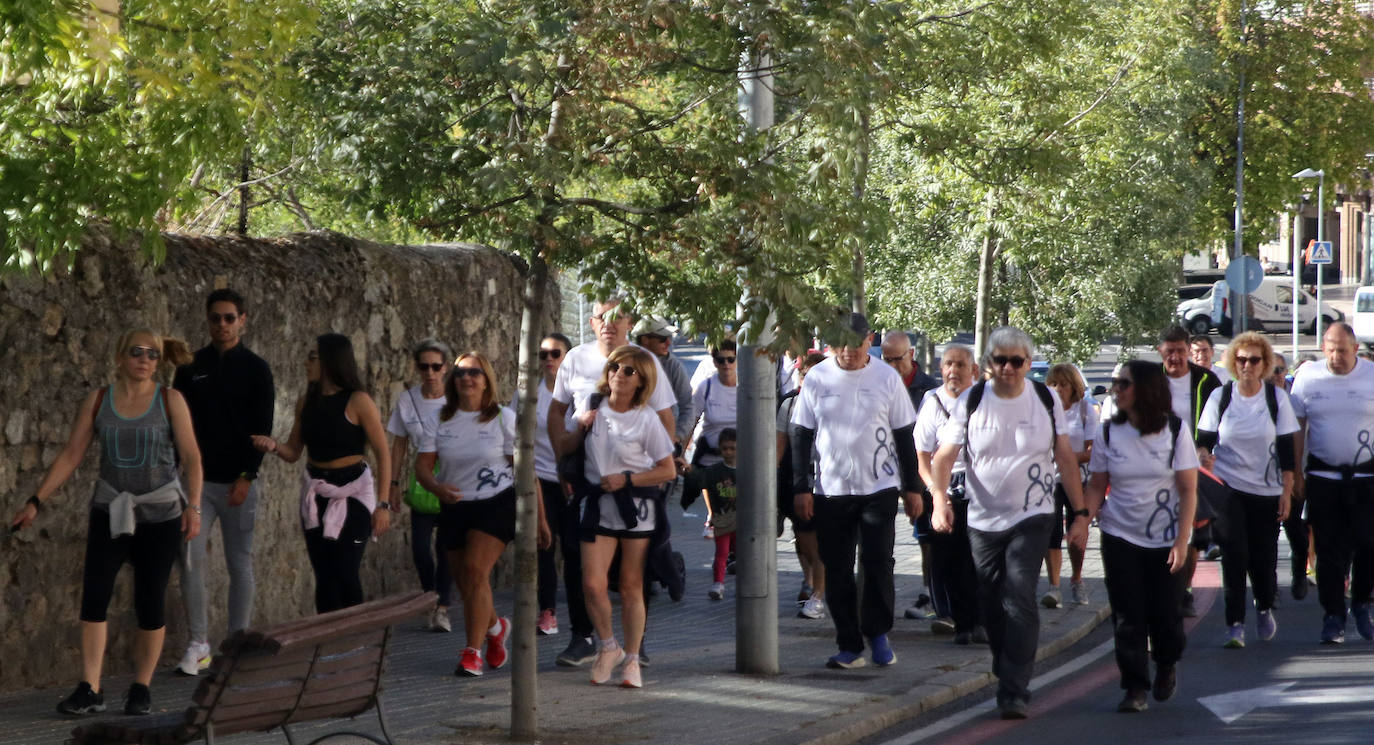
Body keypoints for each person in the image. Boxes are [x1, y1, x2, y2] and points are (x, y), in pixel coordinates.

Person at [12, 330, 202, 716]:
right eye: (136, 352)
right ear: (119, 356)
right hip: (110, 509)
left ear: (159, 362)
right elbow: (71, 455)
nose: (144, 359)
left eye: (152, 354)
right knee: (94, 596)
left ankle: (140, 687)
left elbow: (192, 458)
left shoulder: (171, 401)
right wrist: (36, 500)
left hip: (160, 512)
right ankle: (91, 687)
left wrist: (193, 507)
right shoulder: (99, 400)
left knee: (150, 600)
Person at [929, 327, 1089, 719]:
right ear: (988, 364)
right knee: (990, 601)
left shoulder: (1044, 398)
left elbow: (1065, 458)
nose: (1008, 368)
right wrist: (939, 500)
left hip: (1033, 513)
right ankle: (1006, 661)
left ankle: (1014, 689)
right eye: (1000, 360)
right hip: (983, 519)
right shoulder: (972, 400)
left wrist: (1081, 514)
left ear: (1028, 364)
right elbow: (943, 458)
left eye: (1016, 361)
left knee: (1019, 593)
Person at [547, 297, 678, 667]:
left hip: (637, 483)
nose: (609, 323)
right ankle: (583, 637)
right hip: (587, 481)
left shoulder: (644, 360)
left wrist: (658, 474)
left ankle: (637, 644)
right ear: (592, 323)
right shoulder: (575, 359)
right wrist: (563, 460)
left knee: (636, 567)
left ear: (628, 323)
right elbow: (558, 412)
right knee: (578, 560)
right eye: (601, 317)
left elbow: (664, 416)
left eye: (616, 317)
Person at [791, 312, 923, 670]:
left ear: (870, 340)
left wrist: (913, 488)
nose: (849, 351)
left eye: (857, 343)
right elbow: (801, 434)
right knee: (836, 568)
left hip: (879, 487)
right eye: (842, 343)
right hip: (831, 489)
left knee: (878, 562)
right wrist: (801, 486)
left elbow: (904, 435)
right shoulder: (818, 378)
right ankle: (849, 644)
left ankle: (878, 634)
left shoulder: (886, 378)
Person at [415, 352, 548, 676]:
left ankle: (471, 653)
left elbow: (527, 471)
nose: (467, 378)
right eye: (460, 373)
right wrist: (436, 487)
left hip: (495, 504)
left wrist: (541, 520)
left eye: (474, 372)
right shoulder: (440, 420)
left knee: (475, 571)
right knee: (466, 583)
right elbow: (421, 468)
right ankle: (495, 628)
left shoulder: (502, 418)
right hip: (454, 507)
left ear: (486, 378)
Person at [171, 288, 274, 676]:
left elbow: (261, 427)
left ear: (243, 320)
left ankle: (237, 641)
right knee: (191, 561)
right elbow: (177, 424)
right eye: (216, 318)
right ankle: (199, 643)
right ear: (208, 320)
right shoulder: (189, 367)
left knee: (239, 562)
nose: (222, 325)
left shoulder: (257, 369)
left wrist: (248, 475)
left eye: (230, 318)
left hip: (238, 483)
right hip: (197, 484)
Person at [1085, 361, 1198, 713]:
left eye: (1123, 383)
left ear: (1146, 389)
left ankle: (1166, 663)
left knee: (1166, 615)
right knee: (1127, 614)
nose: (1115, 389)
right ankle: (1134, 686)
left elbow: (1188, 489)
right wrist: (1080, 519)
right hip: (1120, 533)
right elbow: (1097, 483)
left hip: (1167, 537)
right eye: (1114, 383)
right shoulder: (1108, 432)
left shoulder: (1175, 430)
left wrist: (1182, 541)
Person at [252, 333, 393, 614]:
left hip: (354, 492)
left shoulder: (358, 401)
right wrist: (273, 446)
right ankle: (329, 648)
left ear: (330, 360)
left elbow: (383, 453)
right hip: (316, 493)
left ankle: (356, 643)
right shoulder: (307, 401)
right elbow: (293, 451)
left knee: (345, 569)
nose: (306, 362)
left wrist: (384, 505)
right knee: (325, 575)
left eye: (313, 357)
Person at [567, 346, 677, 688]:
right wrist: (578, 428)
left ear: (642, 381)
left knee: (631, 586)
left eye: (629, 371)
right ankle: (608, 646)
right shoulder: (592, 406)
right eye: (615, 366)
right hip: (597, 506)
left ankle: (632, 660)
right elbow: (565, 446)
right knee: (592, 584)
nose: (619, 373)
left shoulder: (646, 419)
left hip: (636, 511)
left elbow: (667, 470)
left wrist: (628, 479)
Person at [1196, 331, 1297, 648]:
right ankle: (1235, 624)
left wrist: (1287, 491)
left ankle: (1264, 605)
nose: (1247, 365)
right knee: (1234, 555)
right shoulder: (1221, 397)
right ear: (1232, 362)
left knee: (1263, 560)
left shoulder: (1275, 399)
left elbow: (1287, 449)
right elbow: (1204, 442)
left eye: (1254, 360)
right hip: (1228, 489)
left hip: (1266, 490)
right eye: (1241, 359)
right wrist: (1203, 458)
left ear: (1264, 363)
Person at [1290, 323, 1374, 644]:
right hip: (1323, 477)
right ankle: (1333, 615)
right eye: (1331, 349)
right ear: (1323, 348)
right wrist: (1296, 472)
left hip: (1366, 477)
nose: (1336, 356)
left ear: (1355, 349)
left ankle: (1362, 603)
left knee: (1368, 545)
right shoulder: (1308, 377)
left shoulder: (1370, 376)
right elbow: (1298, 427)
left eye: (1343, 350)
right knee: (1328, 551)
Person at [915, 344, 985, 645]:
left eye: (959, 365)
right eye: (947, 364)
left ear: (974, 371)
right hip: (946, 488)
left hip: (983, 488)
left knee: (980, 559)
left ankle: (983, 620)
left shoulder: (985, 400)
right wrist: (936, 494)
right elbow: (922, 455)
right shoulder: (933, 402)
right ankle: (961, 621)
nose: (952, 371)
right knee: (950, 558)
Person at [385, 338, 453, 632]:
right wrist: (393, 483)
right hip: (422, 479)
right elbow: (399, 444)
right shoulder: (407, 400)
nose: (430, 372)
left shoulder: (456, 399)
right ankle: (431, 596)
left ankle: (442, 607)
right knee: (421, 549)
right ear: (417, 368)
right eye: (424, 366)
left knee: (447, 547)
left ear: (445, 368)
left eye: (436, 366)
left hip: (452, 476)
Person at [881, 331, 946, 627]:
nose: (893, 365)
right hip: (883, 472)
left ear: (912, 355)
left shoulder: (930, 390)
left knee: (927, 536)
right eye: (887, 359)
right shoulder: (878, 384)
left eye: (899, 358)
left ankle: (929, 592)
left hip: (920, 473)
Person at [1158, 325, 1222, 618]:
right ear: (1161, 352)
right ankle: (1165, 584)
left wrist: (1209, 451)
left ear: (1189, 351)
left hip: (1195, 464)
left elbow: (1223, 419)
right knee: (1164, 528)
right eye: (1169, 351)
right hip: (1157, 466)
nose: (1175, 357)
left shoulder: (1207, 380)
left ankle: (1184, 589)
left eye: (1180, 351)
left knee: (1194, 534)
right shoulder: (1151, 382)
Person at [528, 333, 576, 636]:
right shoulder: (527, 396)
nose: (548, 359)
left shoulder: (579, 393)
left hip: (572, 480)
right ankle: (547, 612)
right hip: (540, 479)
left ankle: (580, 622)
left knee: (573, 551)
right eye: (543, 354)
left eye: (555, 353)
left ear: (567, 357)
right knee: (544, 546)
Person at [1041, 363, 1098, 608]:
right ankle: (1054, 586)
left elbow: (1092, 449)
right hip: (1050, 479)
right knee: (1051, 532)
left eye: (1063, 384)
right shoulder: (1044, 411)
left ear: (1073, 386)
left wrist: (1067, 457)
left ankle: (1077, 578)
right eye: (1053, 384)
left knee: (1076, 532)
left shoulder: (1084, 409)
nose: (1057, 389)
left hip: (1078, 479)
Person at [777, 351, 828, 619]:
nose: (807, 380)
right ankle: (809, 582)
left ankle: (818, 594)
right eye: (803, 374)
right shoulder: (790, 403)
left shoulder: (835, 402)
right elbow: (778, 447)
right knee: (803, 538)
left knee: (817, 542)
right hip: (797, 481)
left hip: (829, 481)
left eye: (814, 375)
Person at [686, 428, 739, 600]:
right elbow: (701, 480)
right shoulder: (715, 471)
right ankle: (718, 583)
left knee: (742, 553)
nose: (728, 452)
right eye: (725, 449)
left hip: (742, 520)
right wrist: (687, 469)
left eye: (732, 448)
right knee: (721, 552)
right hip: (722, 519)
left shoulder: (749, 470)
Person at [633, 316, 695, 444]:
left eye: (669, 338)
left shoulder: (673, 365)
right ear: (645, 340)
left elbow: (688, 405)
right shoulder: (626, 364)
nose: (668, 343)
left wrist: (676, 437)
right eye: (662, 339)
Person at [688, 340, 739, 468]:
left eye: (731, 359)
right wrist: (681, 454)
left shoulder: (746, 388)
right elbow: (691, 421)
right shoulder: (706, 387)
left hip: (739, 464)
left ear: (737, 360)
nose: (726, 364)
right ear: (715, 362)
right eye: (721, 360)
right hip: (709, 461)